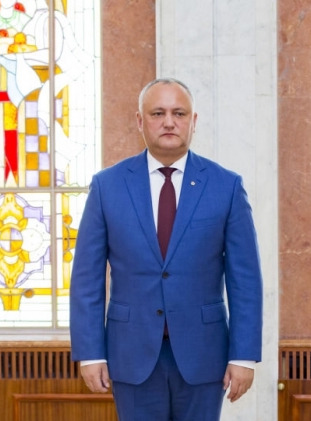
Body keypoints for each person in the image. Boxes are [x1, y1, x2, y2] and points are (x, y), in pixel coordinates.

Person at [69, 78, 263, 421]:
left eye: (179, 113)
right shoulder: (107, 186)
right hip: (130, 352)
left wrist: (243, 355)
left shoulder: (226, 186)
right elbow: (87, 278)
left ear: (193, 121)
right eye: (158, 113)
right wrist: (90, 353)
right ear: (140, 121)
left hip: (204, 354)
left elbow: (245, 279)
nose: (169, 122)